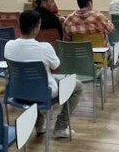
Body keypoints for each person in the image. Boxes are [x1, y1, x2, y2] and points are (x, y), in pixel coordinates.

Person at [5, 9, 83, 139]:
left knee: (31, 83)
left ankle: (39, 123)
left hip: (17, 91)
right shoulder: (45, 48)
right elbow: (57, 68)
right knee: (77, 85)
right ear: (36, 29)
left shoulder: (9, 46)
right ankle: (61, 126)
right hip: (43, 92)